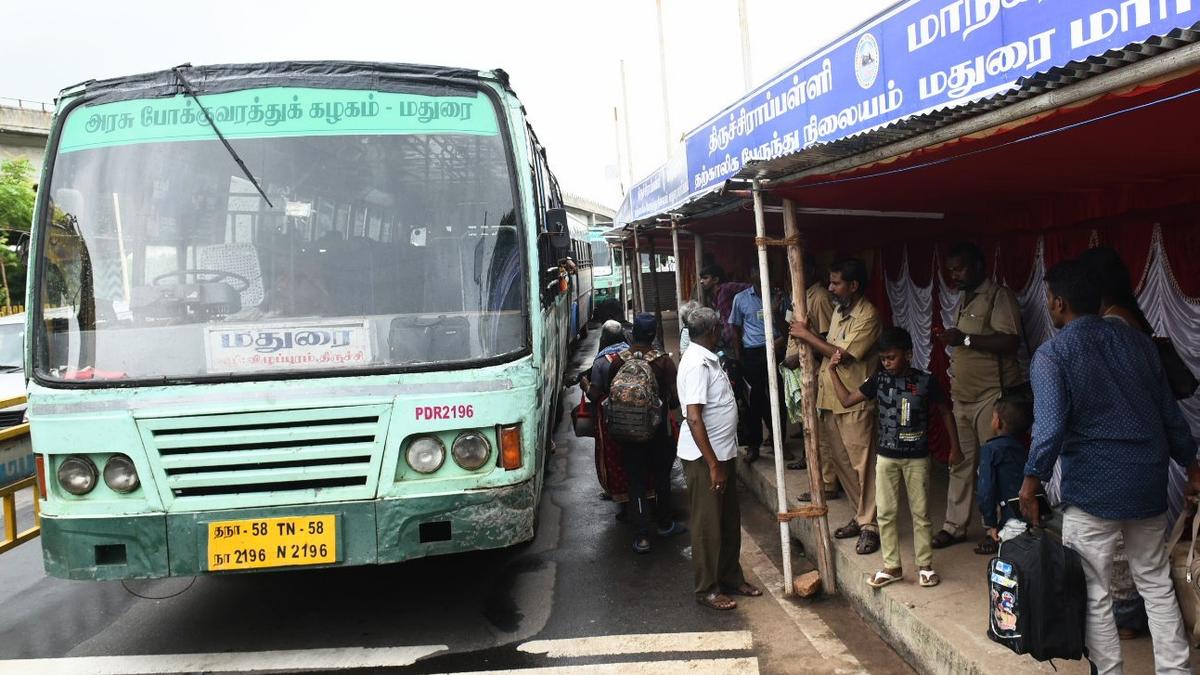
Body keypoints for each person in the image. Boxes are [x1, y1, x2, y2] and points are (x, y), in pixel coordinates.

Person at [1019, 260, 1200, 675]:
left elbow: (1048, 430)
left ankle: (1109, 672)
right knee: (1154, 582)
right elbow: (1170, 416)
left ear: (1060, 303)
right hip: (1146, 484)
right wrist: (1191, 464)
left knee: (1095, 591)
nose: (1048, 306)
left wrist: (1031, 483)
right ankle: (1176, 671)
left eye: (1048, 299)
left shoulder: (1053, 354)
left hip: (1093, 490)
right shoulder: (1139, 344)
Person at [827, 327, 960, 588]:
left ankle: (925, 565)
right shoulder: (878, 380)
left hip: (918, 458)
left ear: (908, 355)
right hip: (886, 458)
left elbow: (946, 412)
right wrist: (831, 371)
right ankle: (892, 566)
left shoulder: (926, 381)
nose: (887, 363)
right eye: (883, 358)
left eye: (892, 357)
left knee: (920, 513)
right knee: (886, 513)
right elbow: (846, 400)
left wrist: (955, 447)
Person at [1078, 246, 1160, 640]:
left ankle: (1126, 616)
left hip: (1122, 451)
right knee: (1136, 549)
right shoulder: (1130, 319)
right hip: (1144, 450)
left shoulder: (1114, 326)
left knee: (1122, 548)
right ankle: (1130, 613)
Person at [932, 241, 1025, 551]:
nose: (954, 275)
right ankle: (954, 526)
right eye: (951, 270)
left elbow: (1010, 342)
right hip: (963, 396)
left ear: (979, 267)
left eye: (960, 269)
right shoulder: (964, 299)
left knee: (993, 465)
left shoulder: (999, 296)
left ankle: (994, 529)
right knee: (959, 462)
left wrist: (966, 339)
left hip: (991, 396)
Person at [789, 258, 882, 555]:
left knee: (863, 467)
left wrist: (806, 336)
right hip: (830, 400)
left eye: (836, 283)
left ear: (854, 286)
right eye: (830, 282)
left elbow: (844, 356)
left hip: (854, 402)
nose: (830, 288)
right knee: (843, 466)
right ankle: (861, 515)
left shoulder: (868, 315)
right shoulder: (841, 313)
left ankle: (872, 526)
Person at [677, 306, 761, 610]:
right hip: (705, 458)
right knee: (708, 524)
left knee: (727, 519)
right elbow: (694, 418)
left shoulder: (707, 360)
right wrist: (713, 465)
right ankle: (708, 588)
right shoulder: (697, 364)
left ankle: (730, 576)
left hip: (721, 453)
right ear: (713, 332)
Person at [592, 313, 685, 554]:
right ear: (653, 334)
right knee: (662, 477)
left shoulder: (618, 361)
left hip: (627, 433)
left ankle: (642, 536)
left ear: (632, 333)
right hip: (657, 433)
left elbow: (610, 394)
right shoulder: (664, 362)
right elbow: (674, 402)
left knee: (636, 482)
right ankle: (664, 523)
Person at [783, 251, 837, 477]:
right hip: (801, 372)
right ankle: (815, 470)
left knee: (820, 430)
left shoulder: (821, 297)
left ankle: (826, 481)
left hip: (815, 372)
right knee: (809, 426)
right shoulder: (801, 296)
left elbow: (828, 342)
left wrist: (802, 353)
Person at [728, 268, 788, 463]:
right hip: (752, 354)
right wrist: (739, 357)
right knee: (754, 401)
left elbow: (788, 326)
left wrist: (776, 310)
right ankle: (754, 445)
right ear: (750, 277)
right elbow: (735, 328)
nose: (763, 277)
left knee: (779, 399)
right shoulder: (741, 299)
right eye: (757, 274)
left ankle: (780, 442)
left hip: (777, 351)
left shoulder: (780, 296)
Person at [580, 320, 632, 505]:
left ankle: (617, 491)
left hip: (610, 417)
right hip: (635, 414)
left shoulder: (602, 361)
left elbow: (595, 394)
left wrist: (585, 385)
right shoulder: (632, 353)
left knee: (613, 455)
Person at [974, 395, 1034, 554]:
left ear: (998, 422)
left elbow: (985, 491)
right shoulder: (1025, 449)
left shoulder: (990, 449)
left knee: (1009, 568)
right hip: (1031, 517)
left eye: (993, 416)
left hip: (1010, 521)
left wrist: (990, 522)